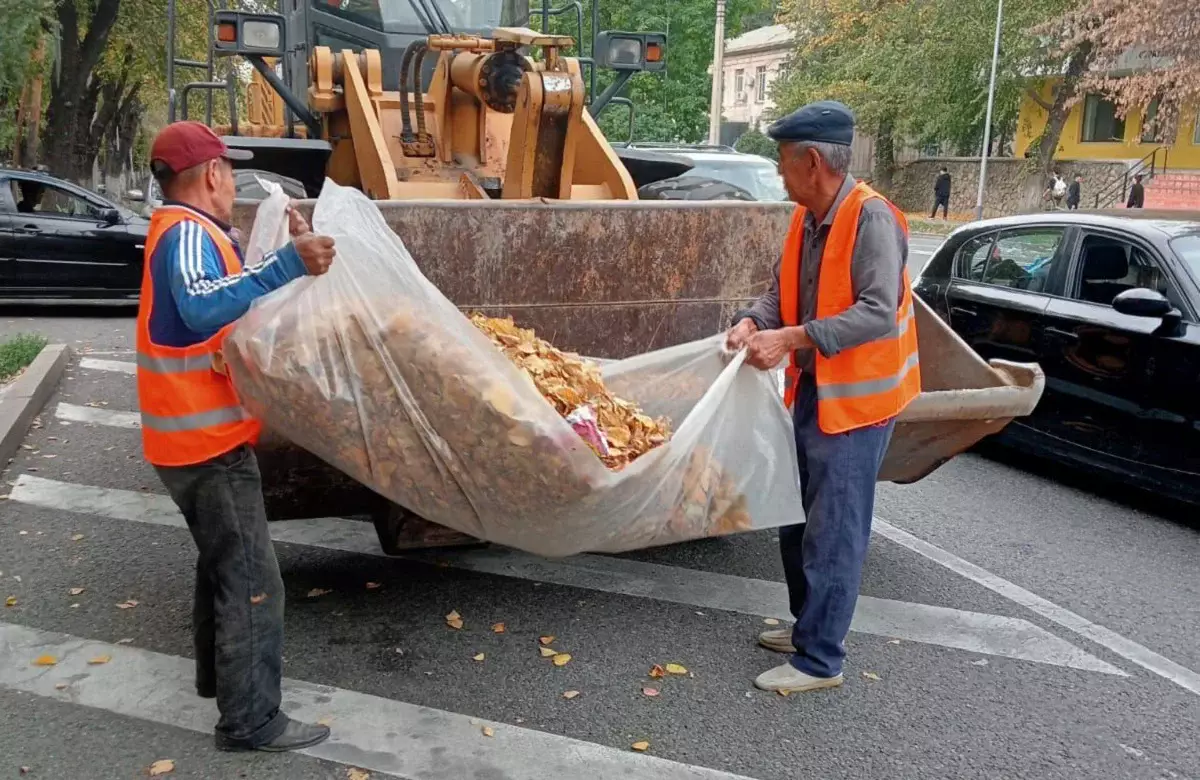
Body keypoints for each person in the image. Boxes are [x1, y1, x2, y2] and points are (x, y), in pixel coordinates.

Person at [136, 121, 337, 752]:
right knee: (253, 580)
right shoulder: (188, 233)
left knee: (220, 565)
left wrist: (283, 252)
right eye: (229, 169)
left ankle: (217, 681)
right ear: (213, 175)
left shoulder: (186, 233)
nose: (232, 181)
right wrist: (284, 263)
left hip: (186, 440)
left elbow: (221, 294)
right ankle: (250, 720)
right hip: (205, 444)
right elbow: (200, 306)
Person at [725, 101, 919, 693]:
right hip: (814, 391)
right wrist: (753, 322)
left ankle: (820, 660)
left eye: (784, 163)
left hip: (857, 407)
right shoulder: (807, 217)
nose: (780, 175)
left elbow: (877, 312)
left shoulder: (871, 219)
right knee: (797, 517)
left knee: (833, 529)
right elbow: (781, 291)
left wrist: (793, 337)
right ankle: (807, 625)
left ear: (813, 162)